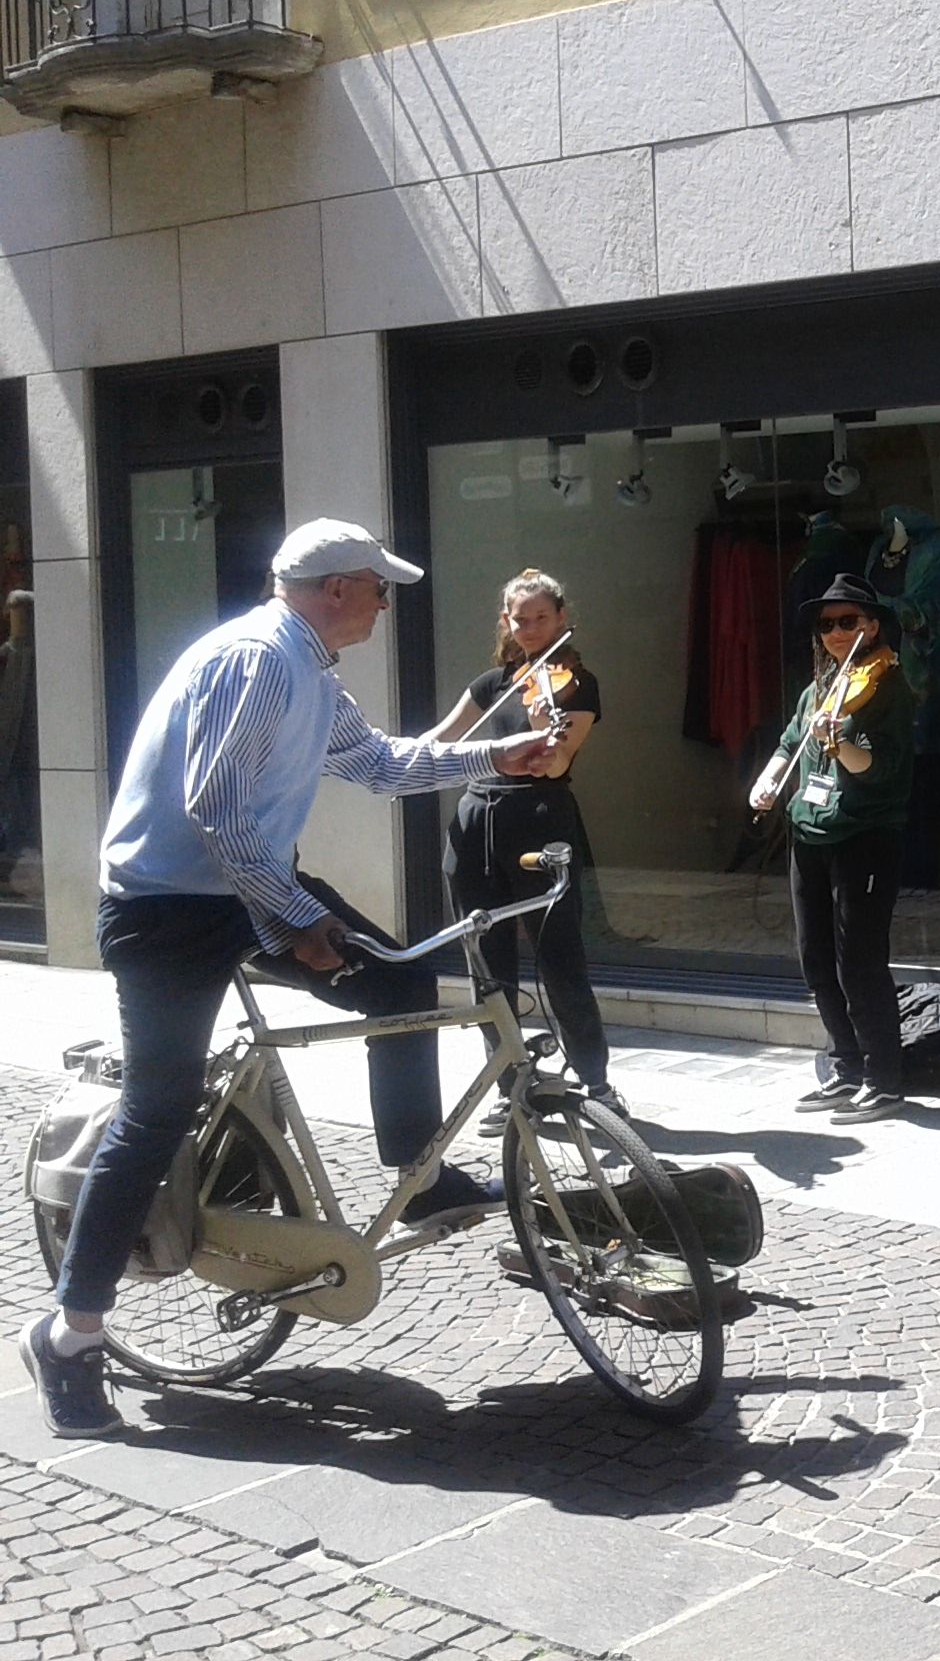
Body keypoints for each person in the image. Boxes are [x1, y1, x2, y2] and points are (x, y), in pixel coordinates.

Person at [22, 520, 557, 1439]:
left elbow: (381, 763)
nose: (387, 605)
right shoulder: (262, 659)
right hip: (166, 908)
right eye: (379, 589)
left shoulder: (308, 668)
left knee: (398, 984)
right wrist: (298, 920)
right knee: (157, 1109)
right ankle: (69, 1336)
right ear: (337, 589)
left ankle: (415, 1173)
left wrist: (489, 756)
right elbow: (216, 808)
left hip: (244, 882)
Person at [428, 569, 618, 1127]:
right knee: (488, 969)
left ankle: (597, 1084)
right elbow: (441, 740)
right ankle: (511, 1086)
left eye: (541, 617)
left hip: (540, 822)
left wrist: (543, 724)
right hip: (476, 825)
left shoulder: (577, 684)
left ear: (562, 618)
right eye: (520, 618)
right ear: (506, 622)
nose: (530, 628)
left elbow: (555, 763)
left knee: (560, 959)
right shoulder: (492, 683)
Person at [750, 573, 915, 1125]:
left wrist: (842, 741)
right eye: (828, 624)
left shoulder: (887, 687)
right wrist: (770, 780)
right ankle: (844, 1065)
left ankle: (883, 1078)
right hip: (810, 835)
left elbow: (881, 768)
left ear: (871, 625)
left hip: (864, 837)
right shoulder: (818, 689)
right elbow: (789, 744)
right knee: (815, 959)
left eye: (849, 621)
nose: (837, 632)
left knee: (859, 964)